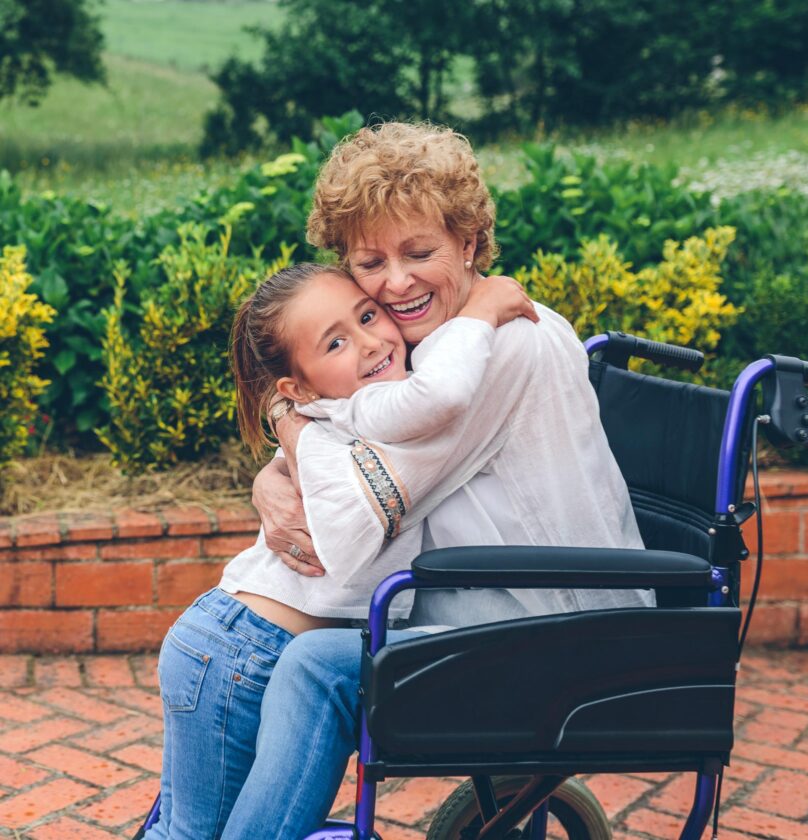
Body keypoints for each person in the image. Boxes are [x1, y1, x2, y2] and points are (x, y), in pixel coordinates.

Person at [220, 121, 654, 839]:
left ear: (470, 244)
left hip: (559, 630)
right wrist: (276, 463)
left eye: (420, 252)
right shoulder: (447, 346)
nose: (396, 284)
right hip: (505, 611)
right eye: (369, 262)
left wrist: (289, 431)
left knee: (312, 668)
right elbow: (363, 425)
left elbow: (366, 493)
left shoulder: (501, 347)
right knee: (314, 658)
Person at [146, 261, 537, 839]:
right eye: (335, 342)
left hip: (231, 640)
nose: (370, 342)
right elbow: (436, 399)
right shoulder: (379, 416)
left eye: (368, 315)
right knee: (193, 833)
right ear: (297, 388)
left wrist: (285, 424)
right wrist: (479, 313)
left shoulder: (355, 409)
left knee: (187, 830)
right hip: (243, 650)